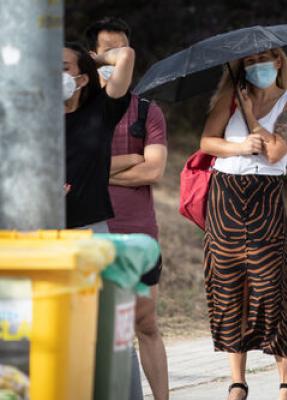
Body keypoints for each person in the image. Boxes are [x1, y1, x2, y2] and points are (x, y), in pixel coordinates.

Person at [200, 47, 287, 400]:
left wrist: (251, 116)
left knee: (272, 286)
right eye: (249, 62)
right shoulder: (230, 94)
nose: (257, 67)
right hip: (225, 195)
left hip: (265, 196)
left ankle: (286, 380)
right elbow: (207, 141)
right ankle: (237, 381)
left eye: (264, 60)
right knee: (229, 287)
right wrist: (241, 147)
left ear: (278, 62)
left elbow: (275, 152)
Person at [85, 17, 169, 400]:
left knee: (145, 323)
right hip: (88, 232)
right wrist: (124, 161)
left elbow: (153, 169)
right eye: (108, 49)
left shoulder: (146, 111)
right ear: (92, 56)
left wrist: (95, 170)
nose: (117, 57)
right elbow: (69, 169)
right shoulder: (78, 112)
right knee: (94, 328)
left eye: (123, 49)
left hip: (139, 234)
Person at [63, 41, 133, 231]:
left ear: (82, 79)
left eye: (64, 68)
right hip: (37, 226)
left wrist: (95, 60)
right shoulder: (32, 119)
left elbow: (125, 55)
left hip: (88, 227)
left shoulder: (100, 111)